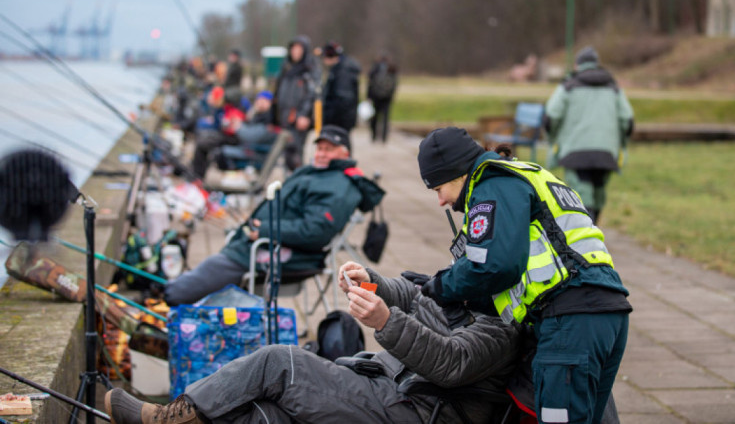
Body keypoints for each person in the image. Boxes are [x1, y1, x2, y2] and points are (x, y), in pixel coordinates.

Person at [105, 258, 521, 424]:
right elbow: (418, 294)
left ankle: (167, 418)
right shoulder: (475, 288)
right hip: (392, 386)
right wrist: (373, 283)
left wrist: (384, 321)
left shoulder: (503, 321)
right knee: (264, 411)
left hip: (416, 408)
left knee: (279, 361)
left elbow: (452, 362)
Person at [416, 126, 631, 424]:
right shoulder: (522, 174)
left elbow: (493, 266)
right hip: (605, 311)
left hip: (569, 321)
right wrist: (461, 296)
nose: (440, 201)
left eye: (438, 189)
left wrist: (441, 286)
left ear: (458, 173)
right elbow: (517, 273)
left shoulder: (493, 185)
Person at [164, 125, 383, 305]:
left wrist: (264, 230)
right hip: (262, 241)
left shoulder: (338, 186)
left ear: (346, 153)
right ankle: (171, 290)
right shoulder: (320, 172)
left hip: (286, 253)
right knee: (212, 267)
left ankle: (168, 296)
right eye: (319, 148)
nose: (321, 154)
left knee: (186, 288)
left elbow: (316, 232)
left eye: (329, 149)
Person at [543, 46, 634, 223]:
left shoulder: (568, 86)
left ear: (577, 65)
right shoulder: (613, 87)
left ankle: (586, 236)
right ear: (596, 64)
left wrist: (553, 139)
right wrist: (621, 143)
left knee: (581, 197)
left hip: (575, 153)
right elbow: (627, 120)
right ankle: (593, 228)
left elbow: (551, 117)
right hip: (606, 153)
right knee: (598, 193)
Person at [274, 35, 318, 171]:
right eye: (294, 49)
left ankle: (298, 181)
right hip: (284, 116)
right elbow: (278, 90)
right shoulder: (287, 68)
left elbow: (312, 94)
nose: (296, 52)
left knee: (296, 153)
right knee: (285, 153)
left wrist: (304, 115)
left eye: (299, 49)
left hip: (298, 117)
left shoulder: (310, 69)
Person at [190, 86, 244, 180]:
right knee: (202, 139)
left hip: (232, 137)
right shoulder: (222, 108)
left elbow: (231, 127)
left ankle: (198, 176)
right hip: (225, 135)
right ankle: (197, 174)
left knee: (202, 143)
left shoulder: (232, 109)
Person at [320, 41, 360, 132]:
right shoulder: (338, 68)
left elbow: (343, 98)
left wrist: (330, 116)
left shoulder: (343, 71)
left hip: (339, 120)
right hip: (339, 118)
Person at [367, 52, 398, 143]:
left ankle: (374, 136)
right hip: (387, 98)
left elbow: (370, 83)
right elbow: (395, 83)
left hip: (375, 97)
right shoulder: (391, 68)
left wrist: (368, 96)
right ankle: (384, 137)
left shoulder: (375, 68)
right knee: (385, 118)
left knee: (374, 117)